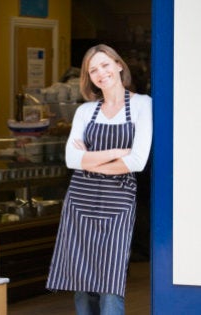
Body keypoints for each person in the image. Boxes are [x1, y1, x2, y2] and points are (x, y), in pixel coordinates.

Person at [46, 44, 153, 314]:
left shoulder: (142, 105)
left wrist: (91, 161)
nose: (101, 73)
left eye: (105, 65)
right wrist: (117, 153)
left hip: (118, 204)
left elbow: (137, 162)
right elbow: (71, 159)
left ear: (119, 65)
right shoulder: (85, 111)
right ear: (88, 77)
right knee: (81, 282)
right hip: (80, 203)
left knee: (110, 283)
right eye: (93, 70)